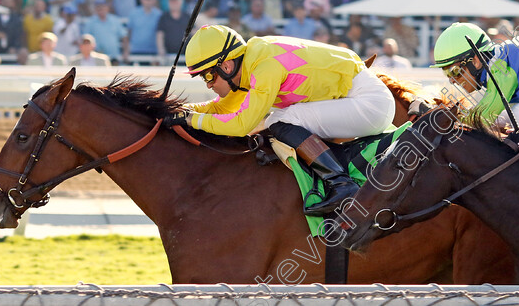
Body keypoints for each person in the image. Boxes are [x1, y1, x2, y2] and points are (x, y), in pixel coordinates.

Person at [165, 25, 396, 216]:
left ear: (226, 66)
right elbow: (219, 107)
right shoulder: (250, 63)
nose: (208, 84)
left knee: (279, 119)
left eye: (208, 75)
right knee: (281, 119)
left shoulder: (265, 67)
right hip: (358, 100)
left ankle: (341, 184)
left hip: (368, 103)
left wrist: (192, 120)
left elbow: (241, 125)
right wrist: (177, 109)